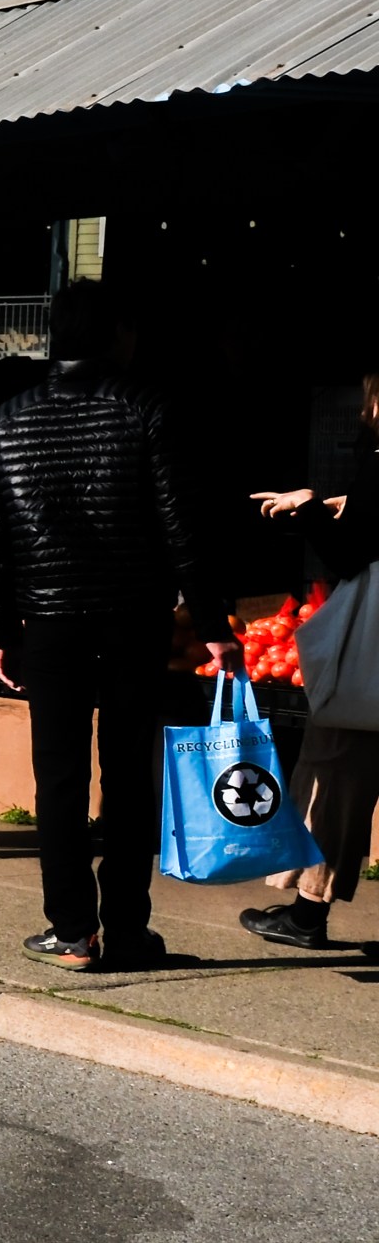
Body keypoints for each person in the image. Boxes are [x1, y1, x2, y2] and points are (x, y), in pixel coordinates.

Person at [0, 289, 233, 972]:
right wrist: (212, 622)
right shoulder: (147, 408)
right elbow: (184, 526)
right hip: (132, 618)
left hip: (49, 622)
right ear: (118, 335)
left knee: (57, 776)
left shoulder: (6, 421)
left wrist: (3, 629)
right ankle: (126, 927)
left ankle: (71, 930)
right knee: (126, 776)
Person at [244, 371, 379, 951]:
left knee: (335, 771)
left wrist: (310, 511)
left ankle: (306, 913)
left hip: (371, 654)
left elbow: (354, 553)